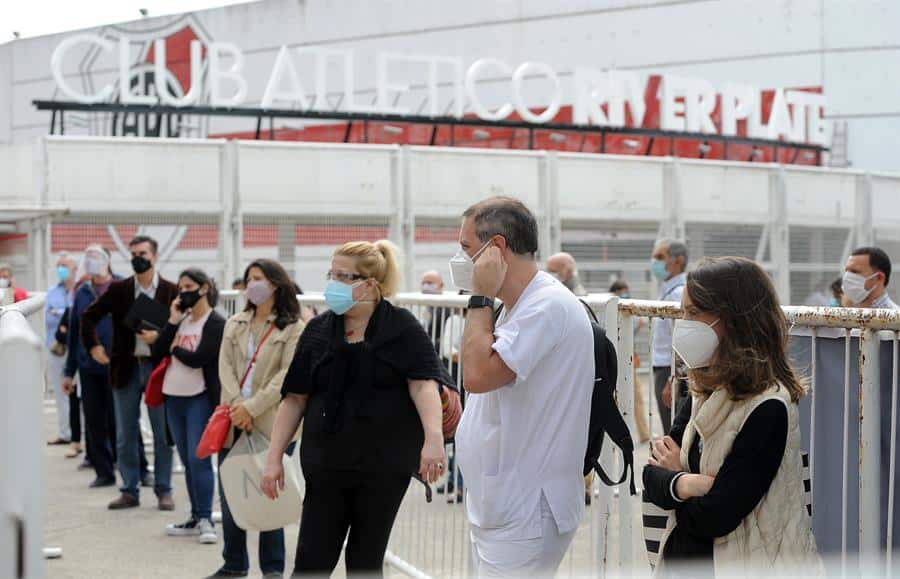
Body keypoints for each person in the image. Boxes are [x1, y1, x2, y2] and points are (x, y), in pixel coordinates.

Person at [261, 240, 448, 578]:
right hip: (326, 466)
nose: (333, 284)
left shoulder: (402, 328)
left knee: (365, 561)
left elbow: (424, 385)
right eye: (331, 274)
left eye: (343, 276)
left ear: (370, 284)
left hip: (384, 468)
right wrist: (274, 457)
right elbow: (295, 399)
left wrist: (433, 440)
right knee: (311, 562)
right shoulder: (318, 331)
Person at [642, 256, 821, 577]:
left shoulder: (769, 407)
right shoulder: (703, 389)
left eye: (694, 313)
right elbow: (650, 475)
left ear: (735, 320)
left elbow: (718, 516)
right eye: (683, 312)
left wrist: (674, 480)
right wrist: (690, 483)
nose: (682, 322)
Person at [453, 197, 594, 577]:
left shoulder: (545, 305)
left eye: (466, 248)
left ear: (496, 248)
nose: (459, 259)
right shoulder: (519, 304)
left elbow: (478, 376)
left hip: (527, 509)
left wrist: (480, 296)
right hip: (504, 505)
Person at [207, 259, 305, 579]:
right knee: (232, 490)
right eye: (248, 279)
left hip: (271, 422)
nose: (251, 285)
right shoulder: (235, 323)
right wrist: (238, 406)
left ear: (275, 284)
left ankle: (272, 567)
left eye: (258, 278)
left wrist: (252, 407)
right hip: (233, 419)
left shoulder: (293, 327)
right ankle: (234, 563)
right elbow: (225, 368)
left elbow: (286, 375)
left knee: (269, 493)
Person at [80, 235, 177, 511]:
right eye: (133, 253)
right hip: (125, 366)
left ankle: (163, 489)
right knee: (125, 433)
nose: (138, 257)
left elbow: (184, 327)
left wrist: (160, 337)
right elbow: (88, 316)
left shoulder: (170, 291)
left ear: (155, 256)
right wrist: (94, 346)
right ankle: (129, 489)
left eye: (143, 252)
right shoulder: (120, 289)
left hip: (157, 368)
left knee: (161, 433)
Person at [151, 268, 225, 544]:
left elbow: (200, 358)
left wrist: (174, 349)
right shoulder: (181, 321)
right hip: (173, 397)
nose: (183, 292)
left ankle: (206, 517)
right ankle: (195, 516)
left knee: (199, 458)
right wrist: (171, 322)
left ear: (204, 288)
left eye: (189, 286)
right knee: (186, 460)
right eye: (180, 287)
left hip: (199, 398)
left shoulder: (215, 322)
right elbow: (156, 350)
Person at [63, 245, 122, 488]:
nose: (91, 262)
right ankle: (103, 471)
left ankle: (132, 468)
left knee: (119, 419)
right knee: (94, 421)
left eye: (96, 257)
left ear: (108, 261)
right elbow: (74, 332)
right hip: (89, 367)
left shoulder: (122, 287)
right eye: (88, 258)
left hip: (117, 364)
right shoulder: (82, 291)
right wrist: (69, 371)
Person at [650, 239, 688, 432]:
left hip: (669, 369)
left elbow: (682, 340)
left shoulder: (678, 293)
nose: (654, 262)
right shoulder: (668, 291)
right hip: (664, 367)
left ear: (678, 260)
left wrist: (672, 378)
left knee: (672, 429)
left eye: (660, 257)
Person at [609, 279, 650, 443]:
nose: (625, 294)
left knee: (636, 395)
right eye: (622, 291)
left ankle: (643, 433)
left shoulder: (626, 308)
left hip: (627, 358)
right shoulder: (610, 308)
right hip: (615, 357)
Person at [46, 254, 78, 449]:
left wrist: (61, 316)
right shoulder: (51, 292)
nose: (61, 269)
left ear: (75, 268)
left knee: (79, 393)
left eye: (65, 265)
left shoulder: (81, 290)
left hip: (75, 348)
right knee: (60, 392)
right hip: (56, 349)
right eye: (58, 266)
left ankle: (80, 434)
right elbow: (49, 319)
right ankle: (65, 433)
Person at [419, 270, 449, 351]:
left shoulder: (448, 308)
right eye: (423, 283)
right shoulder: (427, 306)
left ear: (441, 285)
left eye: (429, 283)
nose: (426, 286)